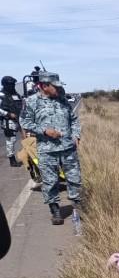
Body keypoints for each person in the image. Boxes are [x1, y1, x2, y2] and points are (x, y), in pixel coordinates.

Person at [20, 71, 82, 225]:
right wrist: (44, 130)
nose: (58, 89)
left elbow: (74, 120)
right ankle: (55, 210)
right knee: (50, 181)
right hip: (47, 150)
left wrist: (76, 135)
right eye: (55, 86)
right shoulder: (32, 101)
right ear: (45, 86)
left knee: (74, 178)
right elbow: (25, 122)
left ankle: (78, 206)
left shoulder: (62, 100)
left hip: (68, 148)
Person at [0, 76, 23, 167]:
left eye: (13, 84)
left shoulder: (16, 94)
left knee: (26, 136)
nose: (12, 86)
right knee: (11, 140)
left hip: (20, 119)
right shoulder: (1, 95)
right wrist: (8, 114)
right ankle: (12, 160)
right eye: (10, 84)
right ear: (5, 84)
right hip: (8, 121)